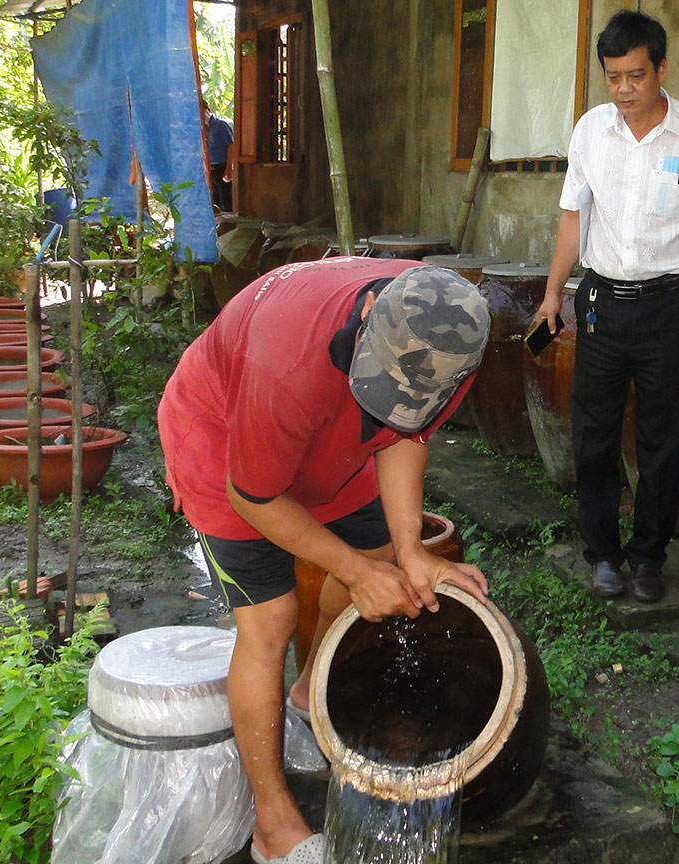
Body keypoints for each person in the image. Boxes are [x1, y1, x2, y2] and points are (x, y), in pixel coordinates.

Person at [158, 258, 492, 864]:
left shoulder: (450, 330)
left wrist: (409, 550)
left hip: (335, 440)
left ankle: (311, 693)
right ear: (368, 317)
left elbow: (404, 434)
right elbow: (254, 495)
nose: (398, 407)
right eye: (386, 386)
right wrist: (358, 573)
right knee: (271, 621)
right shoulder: (284, 363)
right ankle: (273, 825)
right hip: (226, 445)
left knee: (378, 555)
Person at [533, 10, 679, 604]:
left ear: (661, 69)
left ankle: (649, 555)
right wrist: (554, 291)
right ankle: (602, 553)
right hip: (600, 301)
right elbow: (573, 216)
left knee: (662, 437)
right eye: (613, 76)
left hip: (667, 306)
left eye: (636, 75)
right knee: (593, 435)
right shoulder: (591, 131)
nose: (624, 89)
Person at [204, 101, 234, 211]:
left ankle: (230, 225)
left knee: (227, 201)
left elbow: (231, 146)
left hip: (221, 167)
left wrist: (229, 168)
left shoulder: (221, 125)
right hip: (209, 170)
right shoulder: (203, 129)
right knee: (215, 203)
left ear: (208, 110)